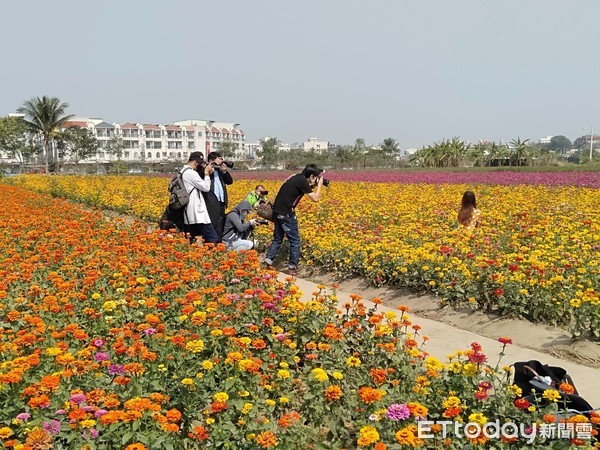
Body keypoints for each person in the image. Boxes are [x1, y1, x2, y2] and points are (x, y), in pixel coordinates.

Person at [264, 164, 324, 275]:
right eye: (316, 177)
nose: (317, 179)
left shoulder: (296, 177)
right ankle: (292, 267)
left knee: (277, 238)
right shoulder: (302, 182)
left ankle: (268, 261)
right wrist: (320, 185)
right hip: (286, 214)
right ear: (312, 176)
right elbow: (315, 198)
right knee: (295, 241)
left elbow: (303, 190)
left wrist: (314, 185)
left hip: (277, 212)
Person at [181, 152, 219, 244]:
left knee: (192, 238)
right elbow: (206, 188)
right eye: (199, 163)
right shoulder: (190, 173)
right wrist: (206, 174)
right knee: (212, 237)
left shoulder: (183, 171)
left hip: (190, 213)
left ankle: (195, 256)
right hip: (197, 213)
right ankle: (211, 255)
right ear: (195, 162)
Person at [203, 151, 234, 242]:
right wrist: (210, 168)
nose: (221, 161)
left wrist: (224, 172)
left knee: (220, 225)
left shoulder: (220, 171)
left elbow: (229, 182)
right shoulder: (207, 169)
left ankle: (219, 244)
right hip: (211, 202)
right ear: (212, 160)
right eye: (219, 158)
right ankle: (210, 244)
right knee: (212, 224)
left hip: (221, 202)